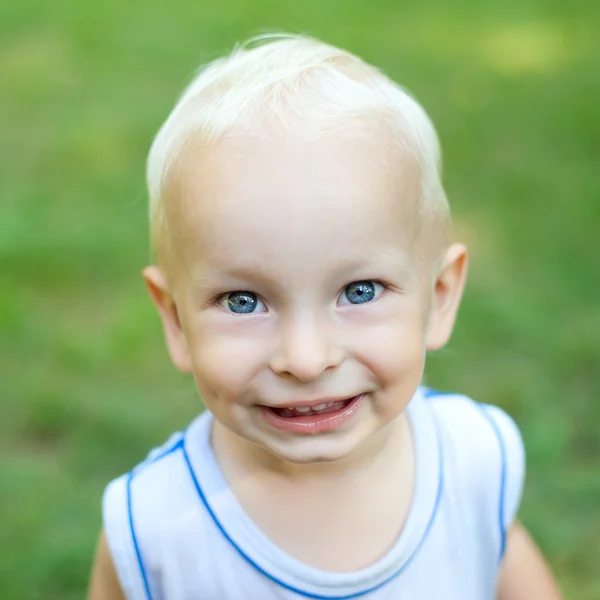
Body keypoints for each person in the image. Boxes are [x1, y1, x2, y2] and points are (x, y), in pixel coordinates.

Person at [88, 34, 562, 599]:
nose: (306, 360)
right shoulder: (154, 530)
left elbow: (502, 566)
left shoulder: (475, 457)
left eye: (360, 291)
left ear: (438, 297)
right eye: (244, 302)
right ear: (175, 321)